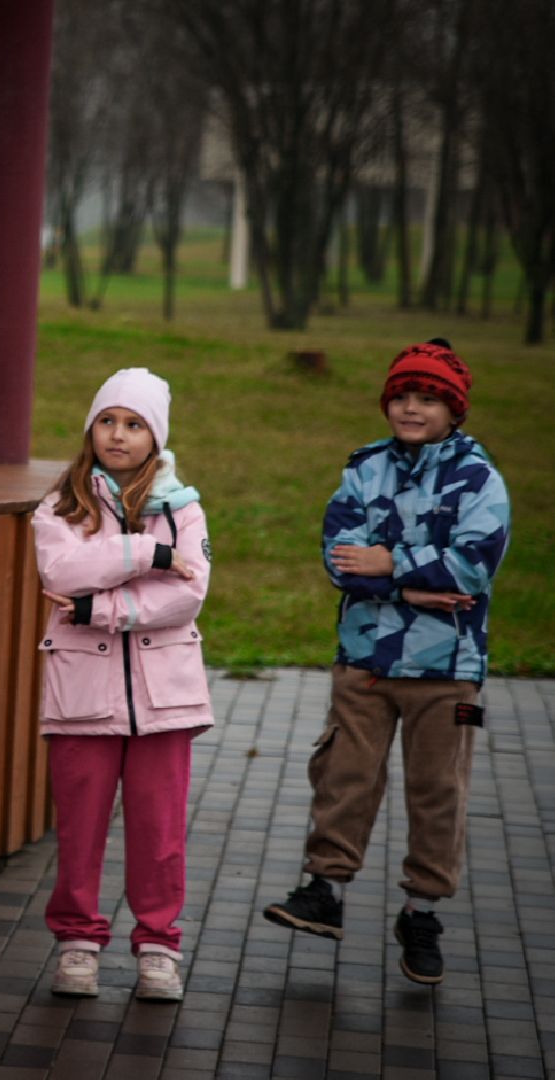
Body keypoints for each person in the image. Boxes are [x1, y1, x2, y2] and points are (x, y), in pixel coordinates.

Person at [263, 339, 510, 986]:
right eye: (400, 395)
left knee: (436, 792)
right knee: (343, 773)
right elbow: (339, 557)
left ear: (452, 408)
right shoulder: (362, 471)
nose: (409, 407)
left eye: (426, 398)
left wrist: (388, 563)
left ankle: (421, 911)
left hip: (445, 669)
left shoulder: (477, 479)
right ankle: (324, 890)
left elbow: (473, 566)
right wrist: (410, 585)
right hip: (365, 658)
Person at [33, 368, 212, 1003]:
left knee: (159, 832)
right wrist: (148, 555)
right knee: (79, 828)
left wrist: (96, 611)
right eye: (108, 420)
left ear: (155, 437)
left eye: (135, 424)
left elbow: (187, 597)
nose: (119, 434)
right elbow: (61, 567)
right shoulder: (61, 505)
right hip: (82, 696)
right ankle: (77, 944)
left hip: (166, 699)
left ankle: (159, 946)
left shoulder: (184, 506)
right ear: (91, 428)